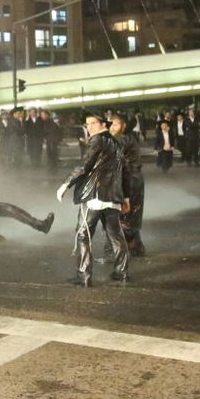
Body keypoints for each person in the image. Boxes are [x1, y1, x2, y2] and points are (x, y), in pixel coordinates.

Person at [57, 111, 130, 287]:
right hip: (112, 197)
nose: (89, 127)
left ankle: (84, 275)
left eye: (93, 123)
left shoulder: (97, 140)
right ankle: (122, 272)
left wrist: (65, 184)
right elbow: (124, 171)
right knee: (116, 236)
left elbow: (84, 166)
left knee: (83, 234)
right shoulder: (116, 142)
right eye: (87, 124)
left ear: (103, 124)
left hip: (94, 196)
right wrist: (126, 197)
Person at [109, 113, 146, 257]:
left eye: (115, 124)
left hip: (130, 180)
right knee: (131, 215)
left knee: (126, 215)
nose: (112, 127)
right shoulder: (127, 138)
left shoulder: (122, 139)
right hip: (133, 180)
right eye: (110, 124)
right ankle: (135, 247)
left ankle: (125, 251)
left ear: (123, 126)